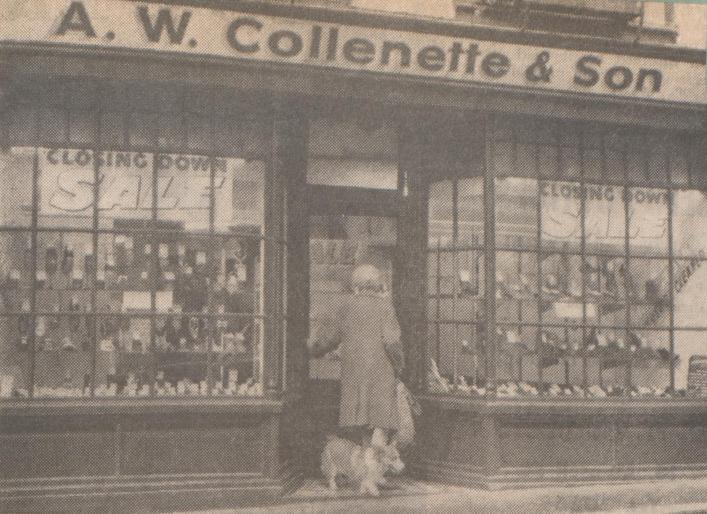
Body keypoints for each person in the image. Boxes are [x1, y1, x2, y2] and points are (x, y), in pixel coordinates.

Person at [308, 264, 403, 449]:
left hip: (354, 372)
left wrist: (312, 350)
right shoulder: (385, 307)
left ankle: (365, 469)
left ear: (355, 285)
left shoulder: (345, 306)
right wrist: (399, 365)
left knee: (359, 423)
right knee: (380, 424)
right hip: (381, 374)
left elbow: (330, 339)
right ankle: (374, 470)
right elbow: (392, 342)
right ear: (378, 285)